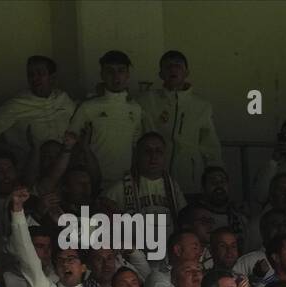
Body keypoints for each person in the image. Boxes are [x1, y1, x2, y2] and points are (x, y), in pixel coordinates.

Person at [136, 51, 223, 194]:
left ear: (186, 72)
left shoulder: (201, 106)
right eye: (168, 66)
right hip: (154, 178)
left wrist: (215, 173)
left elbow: (210, 145)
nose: (173, 69)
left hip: (190, 179)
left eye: (178, 66)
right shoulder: (147, 101)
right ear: (161, 74)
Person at [67, 51, 147, 187]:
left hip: (125, 184)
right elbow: (71, 143)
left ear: (127, 75)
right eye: (110, 71)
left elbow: (135, 146)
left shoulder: (136, 109)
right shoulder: (88, 107)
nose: (116, 76)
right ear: (102, 75)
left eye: (121, 71)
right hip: (94, 182)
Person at [0, 55, 77, 162]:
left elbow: (79, 122)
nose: (34, 78)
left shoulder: (63, 98)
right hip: (31, 166)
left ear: (52, 77)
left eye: (40, 73)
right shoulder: (15, 105)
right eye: (31, 75)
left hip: (67, 164)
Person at [102, 133, 187, 224]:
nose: (153, 156)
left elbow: (184, 218)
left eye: (158, 151)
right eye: (147, 151)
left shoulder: (173, 187)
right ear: (138, 155)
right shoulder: (121, 187)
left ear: (164, 156)